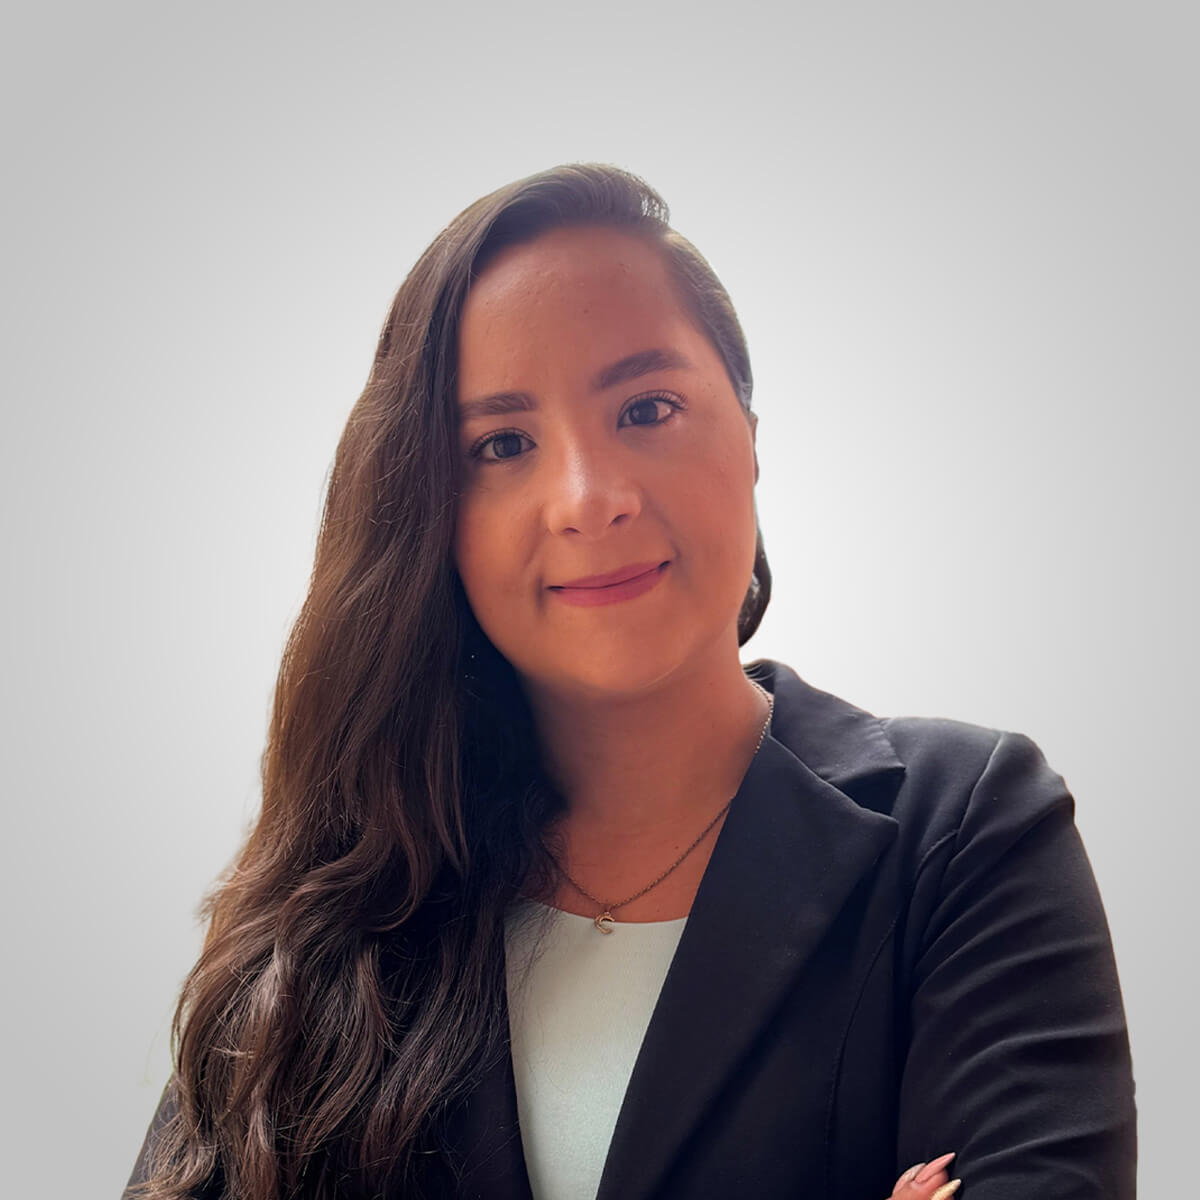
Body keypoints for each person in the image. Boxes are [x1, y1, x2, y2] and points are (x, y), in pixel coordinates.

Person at [125, 163, 1136, 1200]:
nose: (588, 497)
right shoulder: (343, 893)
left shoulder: (964, 831)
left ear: (750, 439)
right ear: (429, 511)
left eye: (648, 408)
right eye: (502, 444)